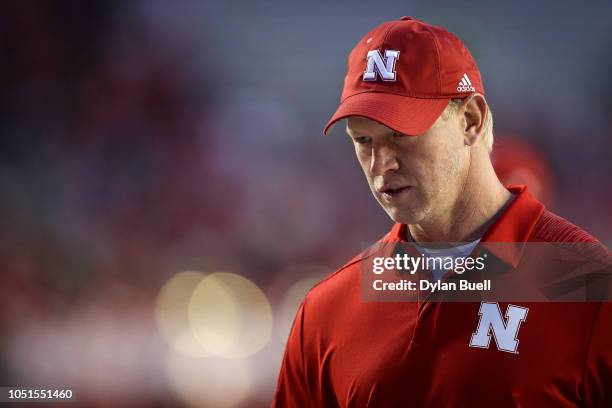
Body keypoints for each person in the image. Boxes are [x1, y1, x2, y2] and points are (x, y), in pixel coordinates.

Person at [272, 16, 611, 407]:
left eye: (400, 134)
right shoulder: (325, 314)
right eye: (364, 140)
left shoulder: (592, 291)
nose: (381, 164)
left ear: (471, 120)